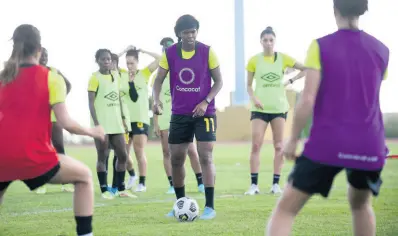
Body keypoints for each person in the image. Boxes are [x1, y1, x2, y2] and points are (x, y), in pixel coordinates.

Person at [266, 0, 389, 235]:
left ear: (335, 9)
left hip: (328, 142)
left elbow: (308, 99)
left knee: (286, 209)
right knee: (361, 205)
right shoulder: (382, 50)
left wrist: (292, 139)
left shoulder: (320, 46)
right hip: (369, 143)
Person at [0, 24, 105, 236]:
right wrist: (93, 131)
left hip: (2, 155)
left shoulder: (3, 77)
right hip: (34, 156)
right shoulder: (51, 77)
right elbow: (66, 123)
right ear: (39, 48)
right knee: (84, 176)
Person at [152, 14, 223, 220]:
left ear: (196, 32)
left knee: (205, 156)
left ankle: (209, 207)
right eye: (186, 33)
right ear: (179, 35)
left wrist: (205, 101)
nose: (190, 36)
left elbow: (218, 82)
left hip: (204, 113)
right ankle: (179, 203)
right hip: (180, 113)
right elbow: (158, 80)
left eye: (193, 31)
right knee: (176, 159)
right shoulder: (170, 53)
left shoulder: (208, 52)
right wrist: (155, 100)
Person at [245, 26, 306, 195]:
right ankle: (254, 185)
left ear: (274, 41)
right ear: (261, 42)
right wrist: (254, 99)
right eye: (265, 40)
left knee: (279, 146)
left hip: (279, 108)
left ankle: (275, 185)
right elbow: (249, 85)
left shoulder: (283, 58)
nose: (268, 43)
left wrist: (290, 80)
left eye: (271, 40)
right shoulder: (253, 60)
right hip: (259, 109)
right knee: (256, 145)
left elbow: (306, 68)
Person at [154, 37, 204, 194]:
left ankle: (201, 182)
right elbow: (155, 100)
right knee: (167, 153)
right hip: (165, 119)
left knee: (192, 151)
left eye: (168, 47)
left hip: (182, 117)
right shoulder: (159, 75)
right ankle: (172, 184)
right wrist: (156, 122)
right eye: (163, 48)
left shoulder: (182, 68)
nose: (165, 50)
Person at [88, 49, 137, 199]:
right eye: (103, 59)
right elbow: (90, 103)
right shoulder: (94, 78)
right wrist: (97, 125)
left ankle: (120, 189)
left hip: (117, 125)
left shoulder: (116, 76)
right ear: (97, 61)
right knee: (102, 156)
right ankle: (104, 190)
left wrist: (123, 119)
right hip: (102, 125)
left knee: (123, 155)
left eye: (108, 59)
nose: (106, 62)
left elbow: (119, 100)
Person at [116, 46, 160, 192]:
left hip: (140, 119)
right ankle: (132, 175)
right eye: (127, 63)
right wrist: (123, 51)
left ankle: (142, 183)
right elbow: (110, 61)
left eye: (132, 63)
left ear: (137, 62)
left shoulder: (144, 74)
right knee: (123, 152)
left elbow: (160, 59)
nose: (129, 66)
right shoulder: (121, 74)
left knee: (138, 151)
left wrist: (144, 50)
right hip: (125, 121)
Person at [35, 47, 74, 194]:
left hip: (53, 116)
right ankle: (40, 183)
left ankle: (66, 182)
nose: (44, 57)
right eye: (41, 55)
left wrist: (59, 99)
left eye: (46, 55)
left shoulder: (55, 72)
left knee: (59, 147)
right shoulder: (31, 72)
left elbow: (68, 85)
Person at [106, 53, 139, 194]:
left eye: (113, 62)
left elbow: (134, 97)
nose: (109, 64)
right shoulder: (104, 79)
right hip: (109, 121)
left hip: (123, 122)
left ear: (116, 64)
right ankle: (114, 186)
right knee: (109, 154)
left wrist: (131, 83)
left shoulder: (123, 77)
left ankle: (117, 186)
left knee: (120, 155)